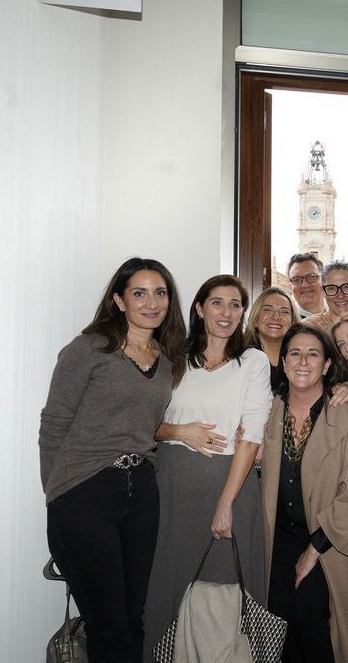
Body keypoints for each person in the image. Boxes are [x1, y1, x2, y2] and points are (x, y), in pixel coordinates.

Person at [39, 257, 186, 662]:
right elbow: (53, 424)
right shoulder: (88, 348)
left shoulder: (167, 361)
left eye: (160, 293)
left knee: (134, 617)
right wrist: (58, 494)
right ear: (119, 300)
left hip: (141, 493)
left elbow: (148, 426)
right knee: (107, 625)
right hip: (85, 492)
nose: (151, 302)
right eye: (139, 293)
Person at [144, 275, 273, 657]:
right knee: (167, 586)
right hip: (172, 486)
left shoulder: (253, 361)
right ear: (199, 309)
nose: (227, 312)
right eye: (217, 303)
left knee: (226, 592)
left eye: (235, 305)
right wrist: (180, 431)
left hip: (231, 484)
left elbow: (251, 433)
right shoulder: (170, 358)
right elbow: (142, 423)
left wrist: (225, 503)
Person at [259, 324, 348, 663]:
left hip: (328, 541)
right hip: (278, 540)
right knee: (278, 625)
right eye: (294, 353)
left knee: (313, 625)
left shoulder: (346, 417)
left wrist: (314, 549)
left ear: (327, 365)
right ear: (283, 362)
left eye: (313, 354)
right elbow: (232, 449)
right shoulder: (267, 412)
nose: (303, 361)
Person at [244, 285, 299, 396]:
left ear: (293, 322)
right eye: (268, 310)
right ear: (255, 319)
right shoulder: (239, 358)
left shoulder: (303, 359)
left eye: (284, 312)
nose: (276, 317)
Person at [304, 259, 348, 333]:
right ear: (323, 291)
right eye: (332, 288)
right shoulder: (309, 328)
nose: (340, 296)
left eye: (346, 287)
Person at [287, 253, 326, 318]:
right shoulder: (286, 324)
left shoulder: (341, 317)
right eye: (296, 279)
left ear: (324, 280)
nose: (305, 284)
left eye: (312, 276)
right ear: (290, 287)